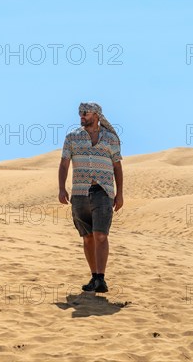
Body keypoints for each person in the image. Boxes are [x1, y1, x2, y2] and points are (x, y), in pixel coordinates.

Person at [58, 102, 123, 293]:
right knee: (87, 237)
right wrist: (61, 188)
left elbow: (117, 167)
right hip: (79, 193)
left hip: (103, 192)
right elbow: (64, 164)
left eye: (85, 113)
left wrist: (120, 194)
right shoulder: (72, 137)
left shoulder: (110, 139)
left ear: (96, 115)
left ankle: (101, 279)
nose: (81, 116)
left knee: (101, 235)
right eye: (80, 112)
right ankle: (94, 276)